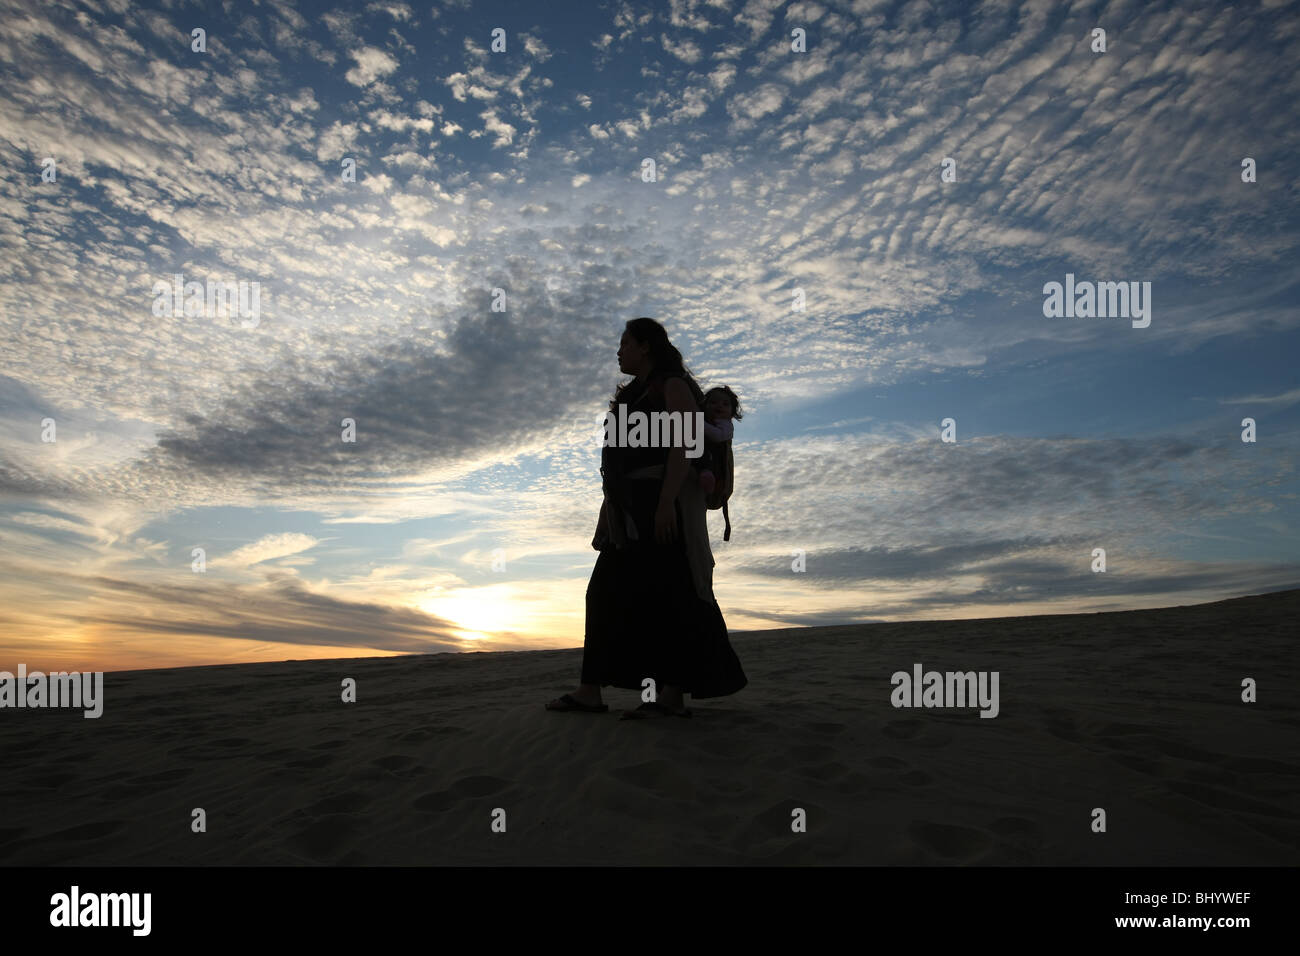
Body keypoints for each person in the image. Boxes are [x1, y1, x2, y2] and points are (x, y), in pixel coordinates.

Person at [546, 317, 747, 719]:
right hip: (629, 508)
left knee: (672, 595)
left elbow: (683, 447)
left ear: (646, 347)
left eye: (625, 343)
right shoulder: (632, 394)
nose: (619, 351)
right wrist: (613, 508)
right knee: (606, 593)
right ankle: (591, 691)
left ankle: (669, 698)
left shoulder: (673, 386)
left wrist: (664, 503)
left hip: (662, 504)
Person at [693, 385, 742, 495]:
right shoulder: (706, 420)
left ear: (732, 413)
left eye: (725, 404)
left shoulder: (727, 425)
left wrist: (699, 424)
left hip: (710, 461)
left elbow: (718, 436)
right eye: (713, 402)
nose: (719, 406)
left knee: (705, 455)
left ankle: (707, 475)